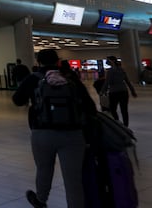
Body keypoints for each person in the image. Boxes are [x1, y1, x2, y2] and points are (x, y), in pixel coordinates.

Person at [12, 49, 96, 208]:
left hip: (42, 133)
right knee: (73, 179)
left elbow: (17, 100)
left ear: (38, 62)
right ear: (58, 61)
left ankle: (41, 200)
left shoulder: (33, 78)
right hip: (73, 134)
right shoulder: (70, 78)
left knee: (44, 169)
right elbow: (90, 107)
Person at [100, 56, 137, 127]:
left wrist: (102, 91)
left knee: (113, 109)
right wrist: (132, 91)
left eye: (107, 60)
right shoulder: (122, 70)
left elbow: (107, 82)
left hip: (114, 92)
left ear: (111, 61)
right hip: (124, 91)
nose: (106, 62)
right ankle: (126, 125)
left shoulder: (110, 71)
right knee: (124, 110)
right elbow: (127, 81)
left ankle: (117, 122)